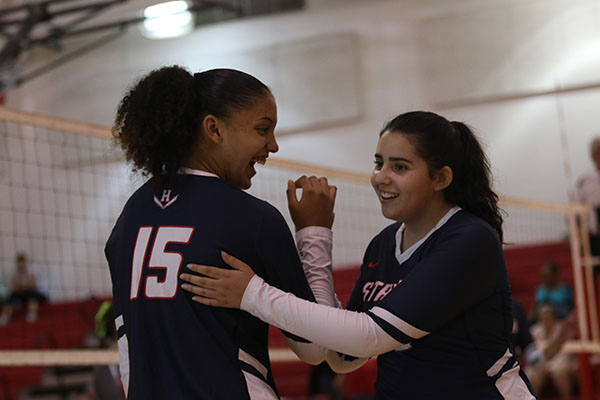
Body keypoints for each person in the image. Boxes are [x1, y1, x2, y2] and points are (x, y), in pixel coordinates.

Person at [181, 111, 537, 399]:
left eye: (399, 167)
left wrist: (252, 294)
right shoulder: (382, 245)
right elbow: (340, 354)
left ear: (441, 178)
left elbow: (370, 335)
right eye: (378, 162)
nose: (380, 177)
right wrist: (314, 234)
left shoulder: (469, 239)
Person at [105, 66, 338, 399]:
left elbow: (126, 341)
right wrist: (314, 231)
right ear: (214, 128)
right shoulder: (253, 218)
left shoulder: (130, 215)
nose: (272, 145)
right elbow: (315, 347)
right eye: (263, 129)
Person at [526, 305, 578, 398]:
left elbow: (566, 350)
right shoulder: (534, 330)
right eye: (543, 318)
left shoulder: (562, 328)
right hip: (541, 361)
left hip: (561, 359)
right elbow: (532, 354)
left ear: (554, 317)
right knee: (531, 375)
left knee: (559, 374)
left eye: (548, 317)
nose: (545, 320)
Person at [0, 252, 46, 325]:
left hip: (32, 293)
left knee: (32, 297)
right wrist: (24, 286)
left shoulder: (32, 270)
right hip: (20, 293)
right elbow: (14, 288)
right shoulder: (15, 272)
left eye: (22, 262)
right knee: (10, 298)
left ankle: (32, 315)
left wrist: (21, 286)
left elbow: (33, 285)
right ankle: (4, 317)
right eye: (19, 263)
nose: (20, 264)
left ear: (25, 262)